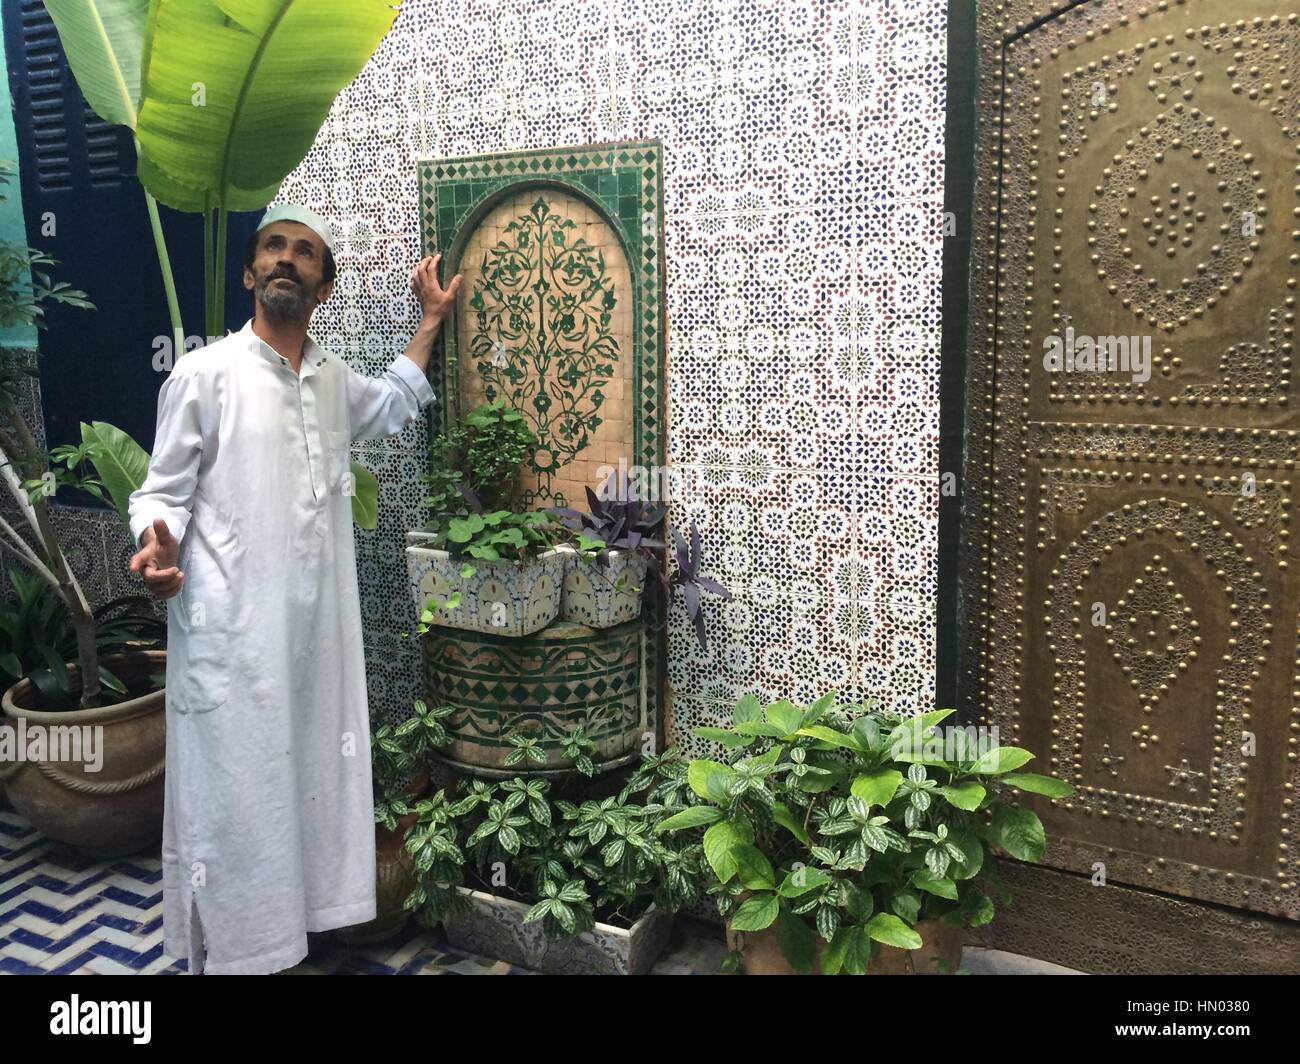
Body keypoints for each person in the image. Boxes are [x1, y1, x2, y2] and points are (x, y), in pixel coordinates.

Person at [126, 204, 462, 974]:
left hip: (316, 639)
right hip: (231, 635)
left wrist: (432, 319)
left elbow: (395, 397)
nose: (286, 259)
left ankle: (291, 936)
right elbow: (159, 492)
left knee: (303, 775)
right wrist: (154, 540)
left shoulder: (331, 379)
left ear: (325, 286)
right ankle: (242, 949)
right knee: (237, 788)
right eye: (273, 248)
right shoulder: (204, 373)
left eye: (304, 253)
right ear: (250, 273)